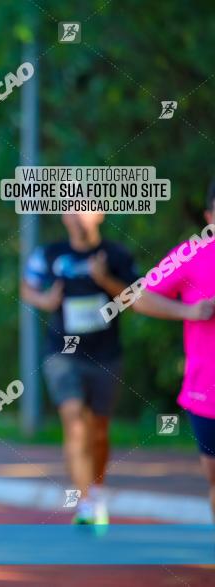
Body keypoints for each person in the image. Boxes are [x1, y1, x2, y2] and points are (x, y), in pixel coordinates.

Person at [21, 212, 139, 525]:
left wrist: (104, 280)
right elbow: (26, 288)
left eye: (84, 208)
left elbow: (137, 297)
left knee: (98, 431)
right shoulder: (49, 254)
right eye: (71, 209)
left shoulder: (117, 255)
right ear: (63, 216)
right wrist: (44, 300)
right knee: (74, 422)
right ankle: (86, 503)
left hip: (105, 354)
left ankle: (96, 490)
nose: (78, 216)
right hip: (63, 353)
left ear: (98, 213)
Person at [130, 180, 215, 517]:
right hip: (206, 391)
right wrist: (188, 311)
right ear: (210, 216)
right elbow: (139, 297)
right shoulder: (191, 254)